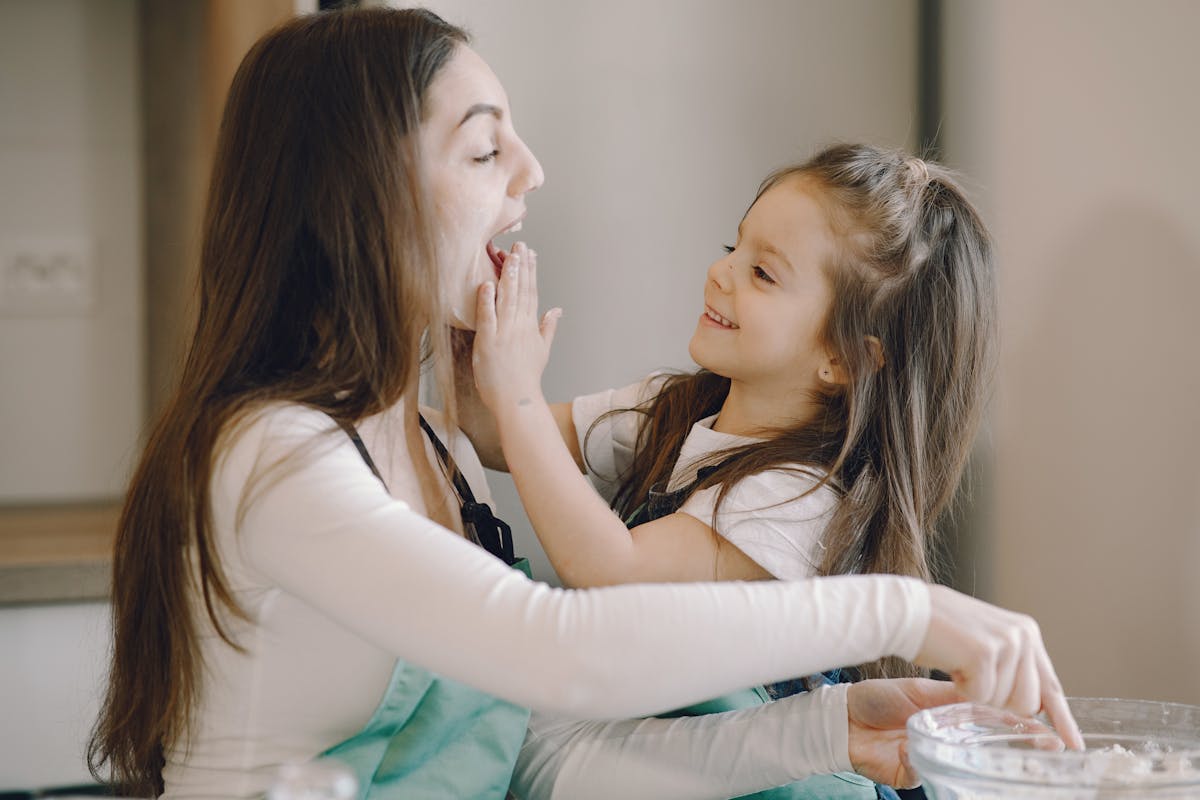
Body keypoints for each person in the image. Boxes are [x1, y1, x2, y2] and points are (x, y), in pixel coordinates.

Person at [86, 8, 1081, 800]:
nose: (533, 171)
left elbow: (543, 763)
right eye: (485, 152)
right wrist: (916, 604)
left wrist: (828, 729)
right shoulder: (278, 453)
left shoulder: (437, 445)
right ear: (366, 193)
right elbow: (560, 651)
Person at [468, 143, 1006, 798]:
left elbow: (609, 566)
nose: (721, 272)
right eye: (734, 246)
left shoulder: (800, 496)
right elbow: (496, 435)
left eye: (763, 275)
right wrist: (471, 325)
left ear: (843, 358)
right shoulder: (679, 408)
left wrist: (519, 389)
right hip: (681, 761)